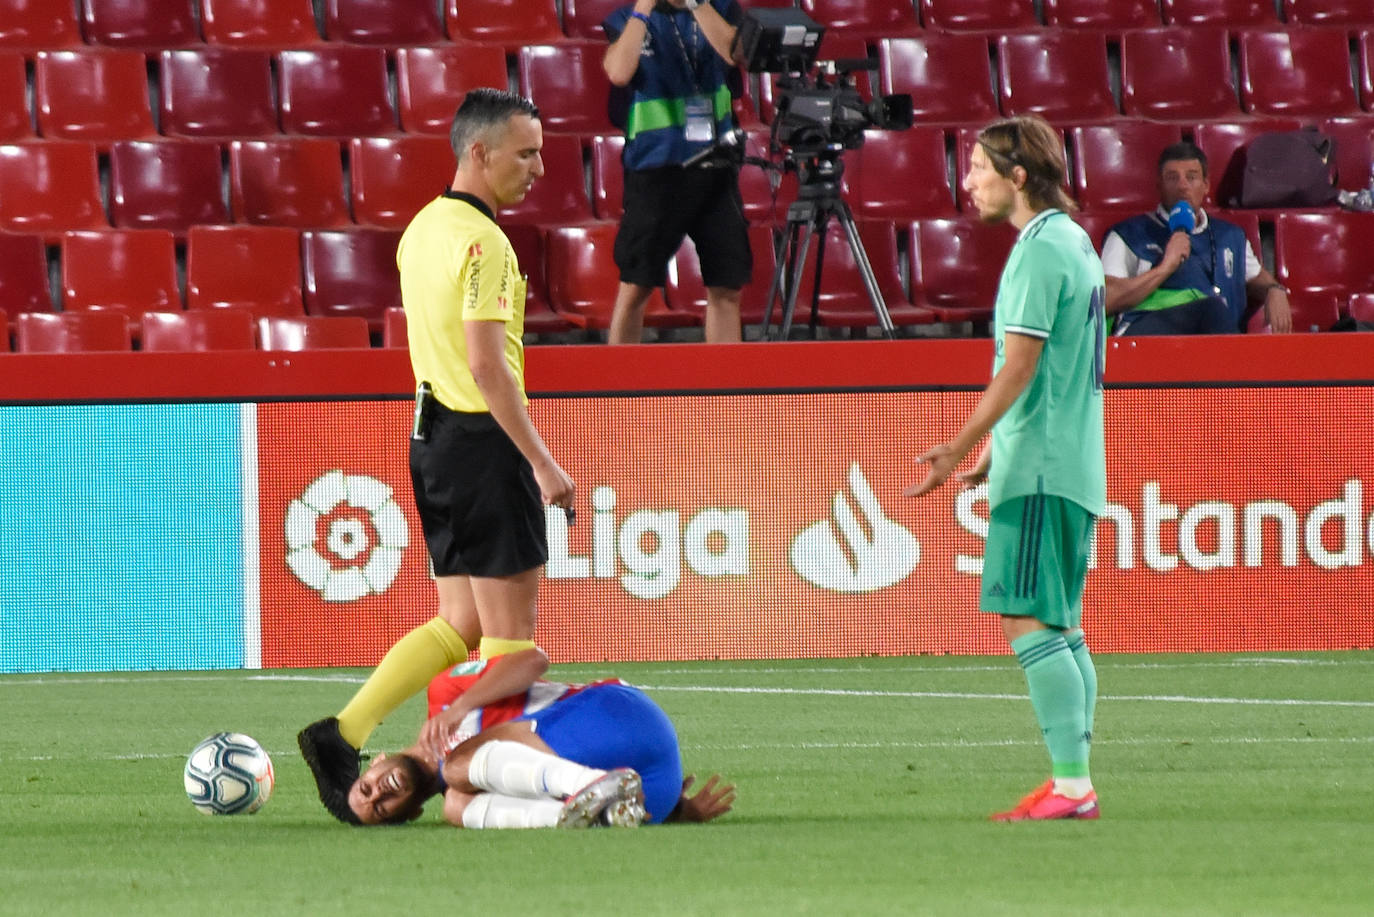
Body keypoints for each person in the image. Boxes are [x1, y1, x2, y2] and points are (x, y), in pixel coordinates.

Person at [297, 88, 576, 821]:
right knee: (512, 642)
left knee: (461, 622)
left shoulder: (421, 229)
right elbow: (488, 365)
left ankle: (341, 732)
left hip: (432, 439)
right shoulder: (487, 244)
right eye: (526, 152)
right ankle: (488, 780)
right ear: (478, 153)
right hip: (481, 441)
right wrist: (543, 464)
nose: (539, 167)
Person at [904, 115, 1106, 822]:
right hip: (1073, 461)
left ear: (1018, 177)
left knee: (1027, 617)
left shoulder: (1036, 251)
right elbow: (1049, 369)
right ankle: (1075, 779)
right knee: (1063, 623)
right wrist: (994, 449)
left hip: (1044, 469)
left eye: (979, 169)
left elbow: (1018, 367)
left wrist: (959, 444)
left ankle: (1073, 784)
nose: (968, 182)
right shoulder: (1076, 242)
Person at [343, 647, 737, 829]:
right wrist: (674, 809)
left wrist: (462, 707)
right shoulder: (465, 798)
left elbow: (533, 661)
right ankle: (599, 812)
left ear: (376, 761)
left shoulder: (446, 693)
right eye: (381, 808)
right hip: (655, 793)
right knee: (457, 804)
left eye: (366, 788)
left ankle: (592, 789)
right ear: (410, 813)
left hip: (619, 716)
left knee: (460, 767)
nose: (379, 793)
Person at [602, 0, 753, 344]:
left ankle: (727, 394)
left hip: (717, 166)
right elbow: (618, 72)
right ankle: (618, 395)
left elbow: (736, 54)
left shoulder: (722, 9)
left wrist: (697, 3)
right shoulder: (627, 18)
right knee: (636, 286)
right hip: (656, 171)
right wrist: (643, 8)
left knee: (727, 287)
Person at [1101, 141, 1292, 334]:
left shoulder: (1231, 236)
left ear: (1206, 185)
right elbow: (1106, 299)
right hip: (1145, 339)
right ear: (1159, 185)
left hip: (1212, 343)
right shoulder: (1128, 234)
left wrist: (1274, 290)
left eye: (1191, 178)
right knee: (1212, 309)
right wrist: (1166, 267)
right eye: (1172, 178)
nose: (1182, 186)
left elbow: (1261, 280)